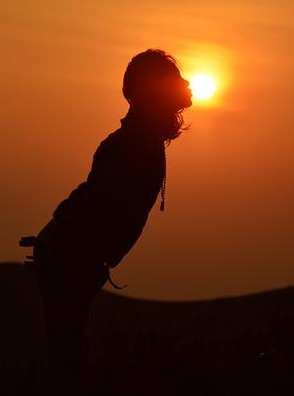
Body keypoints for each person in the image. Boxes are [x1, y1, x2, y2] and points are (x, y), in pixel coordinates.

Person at [20, 49, 192, 390]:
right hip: (72, 258)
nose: (184, 87)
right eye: (172, 82)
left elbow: (96, 200)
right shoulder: (134, 144)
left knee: (68, 359)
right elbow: (99, 203)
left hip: (72, 255)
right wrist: (59, 240)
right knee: (67, 364)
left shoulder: (134, 142)